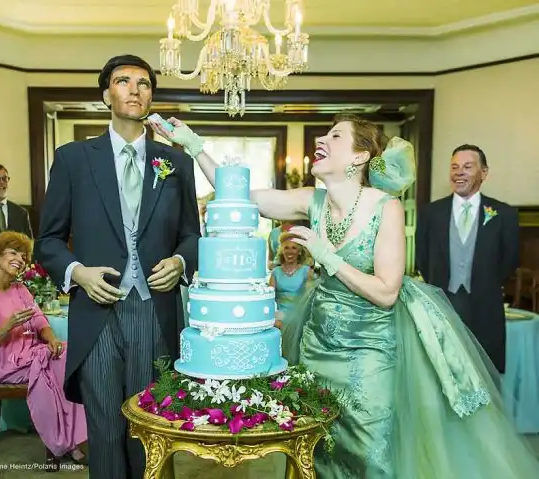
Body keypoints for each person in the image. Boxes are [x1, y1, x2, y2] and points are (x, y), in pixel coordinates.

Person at [149, 114, 539, 478]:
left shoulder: (386, 208)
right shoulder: (312, 200)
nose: (321, 139)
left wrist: (328, 258)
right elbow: (241, 193)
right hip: (318, 343)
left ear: (359, 156)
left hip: (370, 349)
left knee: (369, 450)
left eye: (335, 136)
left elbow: (387, 292)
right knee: (319, 447)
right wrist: (195, 145)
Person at [35, 55, 200, 478]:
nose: (134, 89)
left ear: (151, 96)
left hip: (153, 309)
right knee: (105, 429)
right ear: (106, 94)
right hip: (96, 312)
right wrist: (78, 272)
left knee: (150, 426)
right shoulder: (73, 159)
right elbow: (48, 240)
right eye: (123, 81)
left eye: (144, 83)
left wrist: (180, 260)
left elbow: (191, 235)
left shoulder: (176, 163)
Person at [0, 231, 86, 468]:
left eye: (23, 256)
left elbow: (40, 320)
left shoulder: (19, 289)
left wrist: (51, 339)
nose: (20, 259)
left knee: (68, 354)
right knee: (53, 365)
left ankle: (68, 439)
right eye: (13, 253)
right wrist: (7, 326)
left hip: (28, 354)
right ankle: (63, 444)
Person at [415, 144, 519, 373]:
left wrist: (486, 284)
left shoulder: (504, 214)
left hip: (486, 308)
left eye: (467, 167)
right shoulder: (430, 213)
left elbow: (510, 260)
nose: (459, 172)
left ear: (484, 173)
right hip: (442, 306)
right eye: (454, 167)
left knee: (485, 374)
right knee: (441, 372)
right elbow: (421, 257)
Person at [270, 231, 313, 323]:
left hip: (299, 314)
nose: (290, 251)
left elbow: (309, 299)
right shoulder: (275, 272)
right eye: (286, 248)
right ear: (282, 251)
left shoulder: (306, 271)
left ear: (299, 252)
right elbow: (270, 299)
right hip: (279, 314)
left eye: (294, 248)